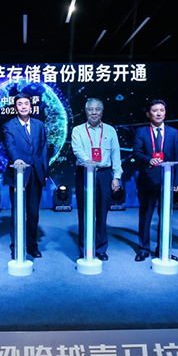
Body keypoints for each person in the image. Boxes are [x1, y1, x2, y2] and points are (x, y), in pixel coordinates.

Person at [71, 98, 123, 261]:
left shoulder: (110, 130)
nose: (94, 112)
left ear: (102, 112)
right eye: (90, 109)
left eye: (97, 109)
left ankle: (100, 248)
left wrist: (116, 177)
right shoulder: (78, 130)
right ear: (86, 112)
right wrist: (88, 161)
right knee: (84, 212)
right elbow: (77, 149)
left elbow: (116, 154)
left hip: (104, 174)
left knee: (102, 212)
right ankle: (84, 247)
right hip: (84, 173)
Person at [132, 99, 178, 262]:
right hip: (147, 180)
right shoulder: (141, 132)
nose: (158, 113)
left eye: (161, 110)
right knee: (145, 216)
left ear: (165, 113)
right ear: (148, 114)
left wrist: (177, 181)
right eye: (155, 110)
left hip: (167, 180)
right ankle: (143, 249)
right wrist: (149, 159)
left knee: (166, 216)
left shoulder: (173, 132)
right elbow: (136, 152)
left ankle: (163, 248)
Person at [3, 92, 48, 258]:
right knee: (17, 213)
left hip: (36, 174)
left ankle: (31, 246)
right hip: (18, 174)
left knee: (33, 213)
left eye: (26, 104)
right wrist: (17, 160)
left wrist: (45, 171)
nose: (23, 107)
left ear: (31, 106)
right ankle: (16, 246)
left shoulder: (39, 125)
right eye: (20, 104)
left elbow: (44, 150)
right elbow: (10, 147)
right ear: (16, 107)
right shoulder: (9, 126)